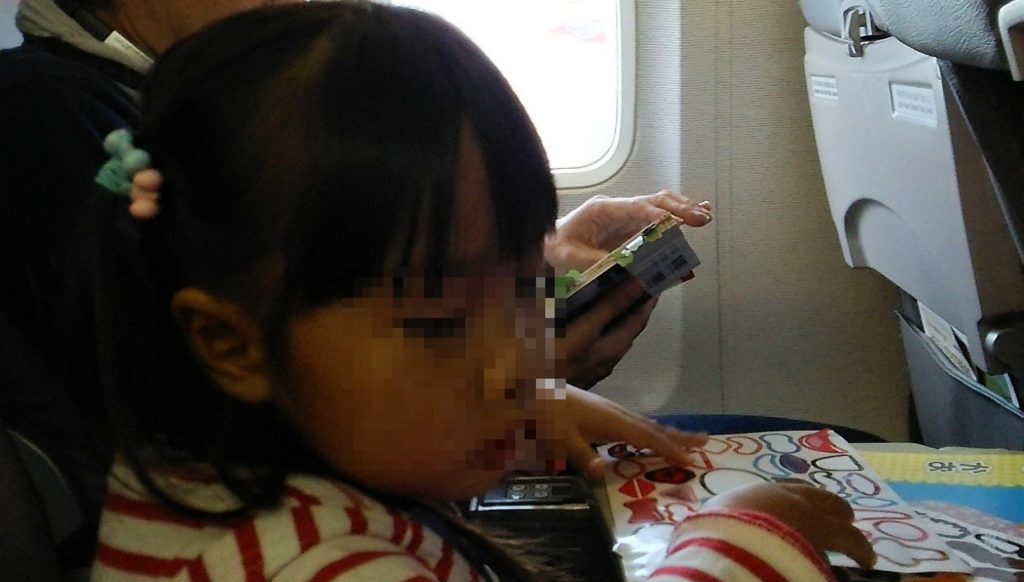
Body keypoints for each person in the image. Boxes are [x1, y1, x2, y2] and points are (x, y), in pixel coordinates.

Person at [47, 4, 874, 582]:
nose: (520, 357)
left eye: (524, 289)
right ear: (233, 345)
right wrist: (749, 552)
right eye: (443, 323)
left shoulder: (196, 482)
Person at [1, 0, 712, 526]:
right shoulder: (47, 122)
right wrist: (515, 376)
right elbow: (199, 421)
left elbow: (345, 288)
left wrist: (538, 265)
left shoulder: (206, 105)